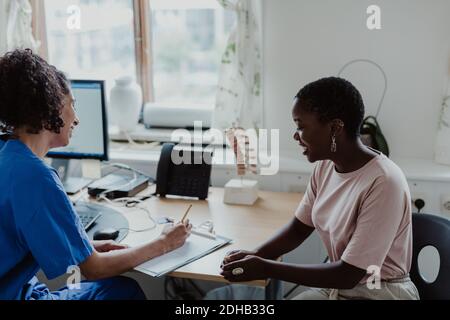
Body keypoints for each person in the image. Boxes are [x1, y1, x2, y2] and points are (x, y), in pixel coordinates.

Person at [0, 49, 192, 300]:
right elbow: (92, 270)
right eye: (72, 105)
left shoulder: (7, 154)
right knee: (122, 290)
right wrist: (164, 243)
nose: (76, 119)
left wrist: (84, 248)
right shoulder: (36, 177)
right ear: (52, 107)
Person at [220, 77, 420, 300]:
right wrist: (256, 254)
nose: (296, 136)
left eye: (301, 126)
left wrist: (266, 267)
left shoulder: (384, 181)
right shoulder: (325, 166)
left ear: (335, 127)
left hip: (379, 291)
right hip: (341, 288)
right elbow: (298, 229)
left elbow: (349, 274)